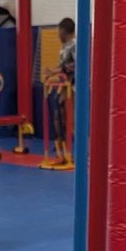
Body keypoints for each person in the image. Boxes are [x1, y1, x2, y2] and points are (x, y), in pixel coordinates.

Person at [44, 17, 76, 162]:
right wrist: (53, 74)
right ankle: (61, 150)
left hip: (75, 87)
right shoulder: (63, 48)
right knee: (58, 115)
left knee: (72, 120)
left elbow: (74, 65)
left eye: (59, 33)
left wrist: (55, 72)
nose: (58, 36)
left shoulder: (75, 45)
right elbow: (63, 68)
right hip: (66, 86)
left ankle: (79, 152)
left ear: (66, 32)